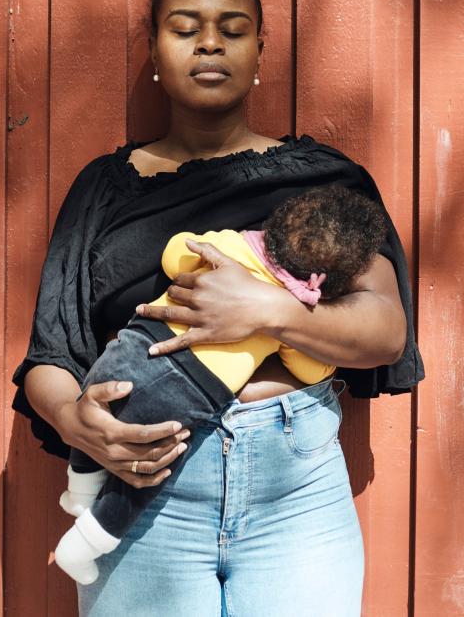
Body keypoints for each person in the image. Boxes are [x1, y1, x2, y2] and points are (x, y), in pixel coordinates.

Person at [11, 0, 424, 616]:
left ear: (261, 52)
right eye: (185, 29)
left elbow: (385, 330)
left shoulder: (322, 181)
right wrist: (75, 421)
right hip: (144, 489)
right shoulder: (104, 190)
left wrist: (268, 312)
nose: (210, 46)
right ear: (155, 50)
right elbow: (49, 357)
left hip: (295, 495)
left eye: (233, 31)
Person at [53, 185, 389, 585]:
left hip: (135, 350)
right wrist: (289, 316)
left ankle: (80, 493)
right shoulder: (297, 305)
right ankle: (85, 543)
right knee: (137, 483)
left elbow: (176, 252)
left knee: (109, 413)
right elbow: (309, 370)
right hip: (187, 397)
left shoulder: (230, 247)